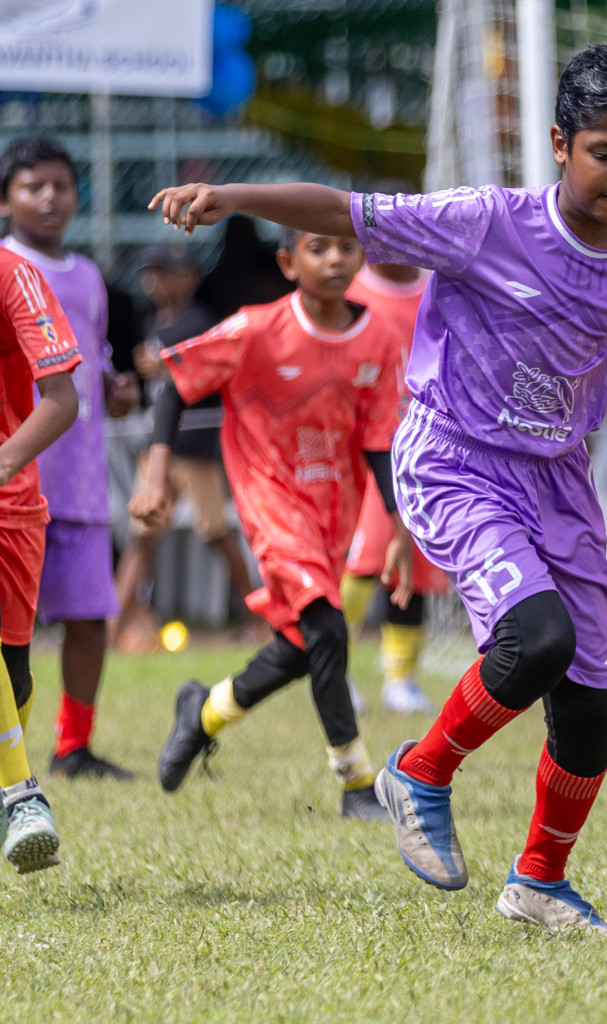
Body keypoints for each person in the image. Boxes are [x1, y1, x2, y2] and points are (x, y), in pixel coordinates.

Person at [148, 42, 607, 933]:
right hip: (455, 460)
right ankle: (419, 772)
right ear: (559, 143)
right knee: (536, 638)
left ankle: (539, 882)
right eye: (605, 154)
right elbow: (345, 211)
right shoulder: (485, 220)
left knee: (589, 711)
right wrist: (233, 196)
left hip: (559, 480)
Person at [131, 226, 410, 821]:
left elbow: (380, 441)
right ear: (288, 261)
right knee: (328, 628)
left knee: (300, 644)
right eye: (318, 247)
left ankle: (204, 712)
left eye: (345, 247)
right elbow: (175, 388)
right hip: (270, 500)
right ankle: (356, 783)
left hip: (336, 508)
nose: (334, 257)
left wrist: (399, 525)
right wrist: (156, 475)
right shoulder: (256, 328)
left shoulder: (380, 337)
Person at [0, 136, 138, 780]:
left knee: (88, 615)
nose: (49, 198)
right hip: (15, 477)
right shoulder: (5, 267)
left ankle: (73, 746)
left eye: (60, 185)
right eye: (33, 186)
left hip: (77, 478)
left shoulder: (88, 276)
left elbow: (93, 361)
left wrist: (116, 390)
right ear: (7, 199)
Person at [114, 242, 258, 653]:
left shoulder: (201, 322)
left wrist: (165, 365)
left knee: (216, 534)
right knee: (142, 535)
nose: (155, 279)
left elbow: (210, 380)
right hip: (156, 445)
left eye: (165, 271)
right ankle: (114, 624)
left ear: (191, 278)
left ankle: (254, 616)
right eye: (151, 271)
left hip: (194, 446)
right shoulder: (152, 320)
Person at [340, 227, 449, 716]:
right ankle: (332, 665)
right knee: (365, 561)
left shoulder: (440, 290)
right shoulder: (350, 294)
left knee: (419, 566)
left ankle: (401, 676)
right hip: (368, 454)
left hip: (428, 449)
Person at [0, 245, 80, 872]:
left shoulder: (14, 274)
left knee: (15, 680)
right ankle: (22, 796)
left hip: (11, 502)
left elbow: (61, 398)